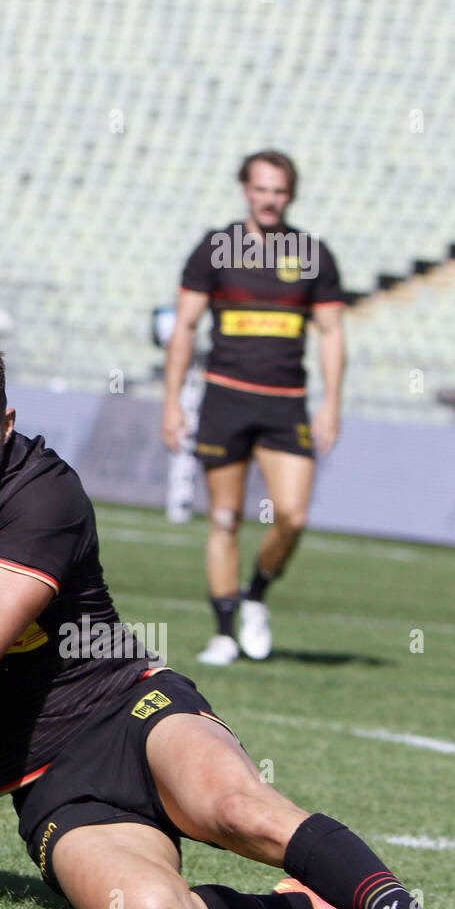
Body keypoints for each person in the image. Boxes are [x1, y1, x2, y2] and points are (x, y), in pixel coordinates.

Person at [0, 325, 418, 909]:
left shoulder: (43, 490)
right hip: (49, 782)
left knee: (241, 809)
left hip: (133, 712)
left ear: (8, 422)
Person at [162, 152, 346, 666]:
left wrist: (332, 403)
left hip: (287, 405)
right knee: (224, 517)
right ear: (246, 189)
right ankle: (223, 631)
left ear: (292, 195)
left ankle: (256, 596)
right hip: (225, 399)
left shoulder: (312, 254)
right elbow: (185, 327)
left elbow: (332, 333)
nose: (270, 199)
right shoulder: (215, 248)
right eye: (261, 189)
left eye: (280, 191)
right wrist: (172, 401)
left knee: (293, 517)